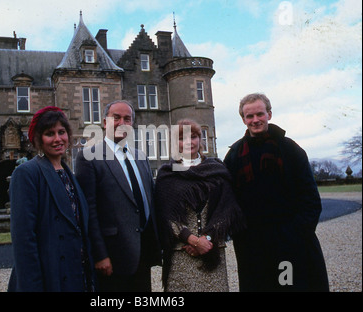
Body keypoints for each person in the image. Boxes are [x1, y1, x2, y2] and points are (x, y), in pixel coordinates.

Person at [223, 93, 329, 292]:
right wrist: (240, 234)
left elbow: (311, 199)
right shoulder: (235, 154)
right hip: (252, 246)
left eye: (259, 114)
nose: (255, 120)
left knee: (288, 286)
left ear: (269, 114)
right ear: (243, 119)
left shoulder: (290, 149)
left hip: (289, 242)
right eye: (249, 116)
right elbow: (228, 199)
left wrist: (295, 234)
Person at [75, 100, 161, 292]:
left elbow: (150, 201)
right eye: (116, 117)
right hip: (112, 257)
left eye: (127, 119)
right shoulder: (89, 157)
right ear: (105, 122)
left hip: (143, 251)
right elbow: (89, 212)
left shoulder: (140, 157)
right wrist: (100, 255)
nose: (122, 122)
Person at [8, 106, 95, 292]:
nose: (58, 139)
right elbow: (24, 240)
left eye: (61, 132)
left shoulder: (68, 173)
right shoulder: (26, 173)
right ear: (39, 139)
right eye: (50, 133)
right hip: (50, 278)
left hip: (76, 274)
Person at [155, 119, 244, 292]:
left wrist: (207, 239)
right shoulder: (167, 173)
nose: (189, 141)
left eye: (194, 136)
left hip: (212, 250)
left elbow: (226, 209)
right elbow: (165, 215)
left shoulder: (216, 168)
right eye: (182, 138)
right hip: (181, 253)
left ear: (200, 140)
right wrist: (193, 240)